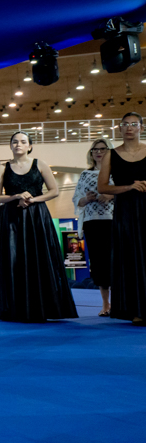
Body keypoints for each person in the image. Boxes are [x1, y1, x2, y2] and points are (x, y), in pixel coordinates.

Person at [0, 131, 77, 323]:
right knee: (15, 261)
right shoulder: (2, 168)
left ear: (30, 146)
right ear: (10, 146)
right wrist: (16, 197)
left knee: (41, 257)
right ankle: (17, 308)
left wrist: (31, 199)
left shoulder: (40, 164)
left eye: (23, 142)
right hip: (13, 218)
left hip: (38, 216)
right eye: (14, 142)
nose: (18, 145)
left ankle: (46, 307)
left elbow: (54, 191)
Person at [97, 112, 146, 326]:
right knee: (131, 258)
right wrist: (129, 187)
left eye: (134, 124)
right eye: (125, 124)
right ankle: (136, 309)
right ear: (119, 128)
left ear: (141, 128)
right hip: (125, 211)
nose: (129, 128)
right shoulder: (111, 155)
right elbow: (102, 187)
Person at [74, 139, 114, 317]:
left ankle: (122, 303)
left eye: (102, 149)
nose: (98, 152)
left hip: (114, 221)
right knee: (99, 264)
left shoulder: (118, 172)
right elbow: (77, 200)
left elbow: (130, 193)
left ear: (109, 151)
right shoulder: (85, 174)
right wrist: (87, 199)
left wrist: (110, 195)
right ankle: (105, 304)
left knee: (118, 262)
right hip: (92, 222)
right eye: (95, 150)